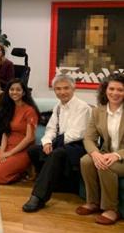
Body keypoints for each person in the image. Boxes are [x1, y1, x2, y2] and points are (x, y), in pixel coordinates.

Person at [23, 74, 91, 213]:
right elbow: (51, 129)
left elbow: (77, 133)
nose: (62, 92)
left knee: (57, 153)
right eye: (58, 89)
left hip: (79, 146)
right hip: (61, 142)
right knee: (34, 150)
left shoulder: (83, 107)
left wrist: (54, 144)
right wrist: (47, 142)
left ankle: (38, 197)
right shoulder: (58, 107)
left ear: (73, 88)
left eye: (66, 88)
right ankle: (55, 184)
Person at [77, 73, 124, 225]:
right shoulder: (98, 111)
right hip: (106, 152)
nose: (115, 93)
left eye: (120, 90)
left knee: (105, 166)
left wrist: (117, 155)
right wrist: (95, 153)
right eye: (111, 89)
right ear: (105, 90)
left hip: (121, 156)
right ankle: (93, 202)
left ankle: (112, 209)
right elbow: (88, 138)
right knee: (86, 161)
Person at [0, 79, 39, 184]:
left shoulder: (30, 110)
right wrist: (2, 151)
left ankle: (22, 173)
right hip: (9, 146)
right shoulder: (8, 108)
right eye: (12, 89)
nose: (14, 92)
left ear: (23, 92)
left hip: (23, 149)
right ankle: (17, 170)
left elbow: (29, 138)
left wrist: (10, 153)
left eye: (18, 90)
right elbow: (5, 133)